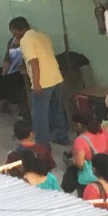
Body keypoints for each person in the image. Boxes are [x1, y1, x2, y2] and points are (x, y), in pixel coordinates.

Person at [11, 17, 68, 145]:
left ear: (17, 29)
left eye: (13, 32)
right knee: (56, 109)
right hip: (57, 78)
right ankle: (62, 136)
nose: (13, 36)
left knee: (39, 114)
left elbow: (34, 61)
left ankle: (42, 145)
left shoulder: (26, 40)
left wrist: (36, 83)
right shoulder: (42, 35)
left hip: (43, 82)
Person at [0, 31, 27, 115]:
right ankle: (3, 97)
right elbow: (7, 58)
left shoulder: (28, 42)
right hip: (11, 68)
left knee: (8, 80)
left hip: (22, 71)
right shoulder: (12, 41)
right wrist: (4, 72)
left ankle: (13, 102)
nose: (14, 34)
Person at [68, 113, 108, 195]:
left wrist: (72, 160)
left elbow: (80, 164)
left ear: (79, 124)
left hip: (89, 179)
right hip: (105, 172)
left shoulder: (80, 140)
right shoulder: (104, 133)